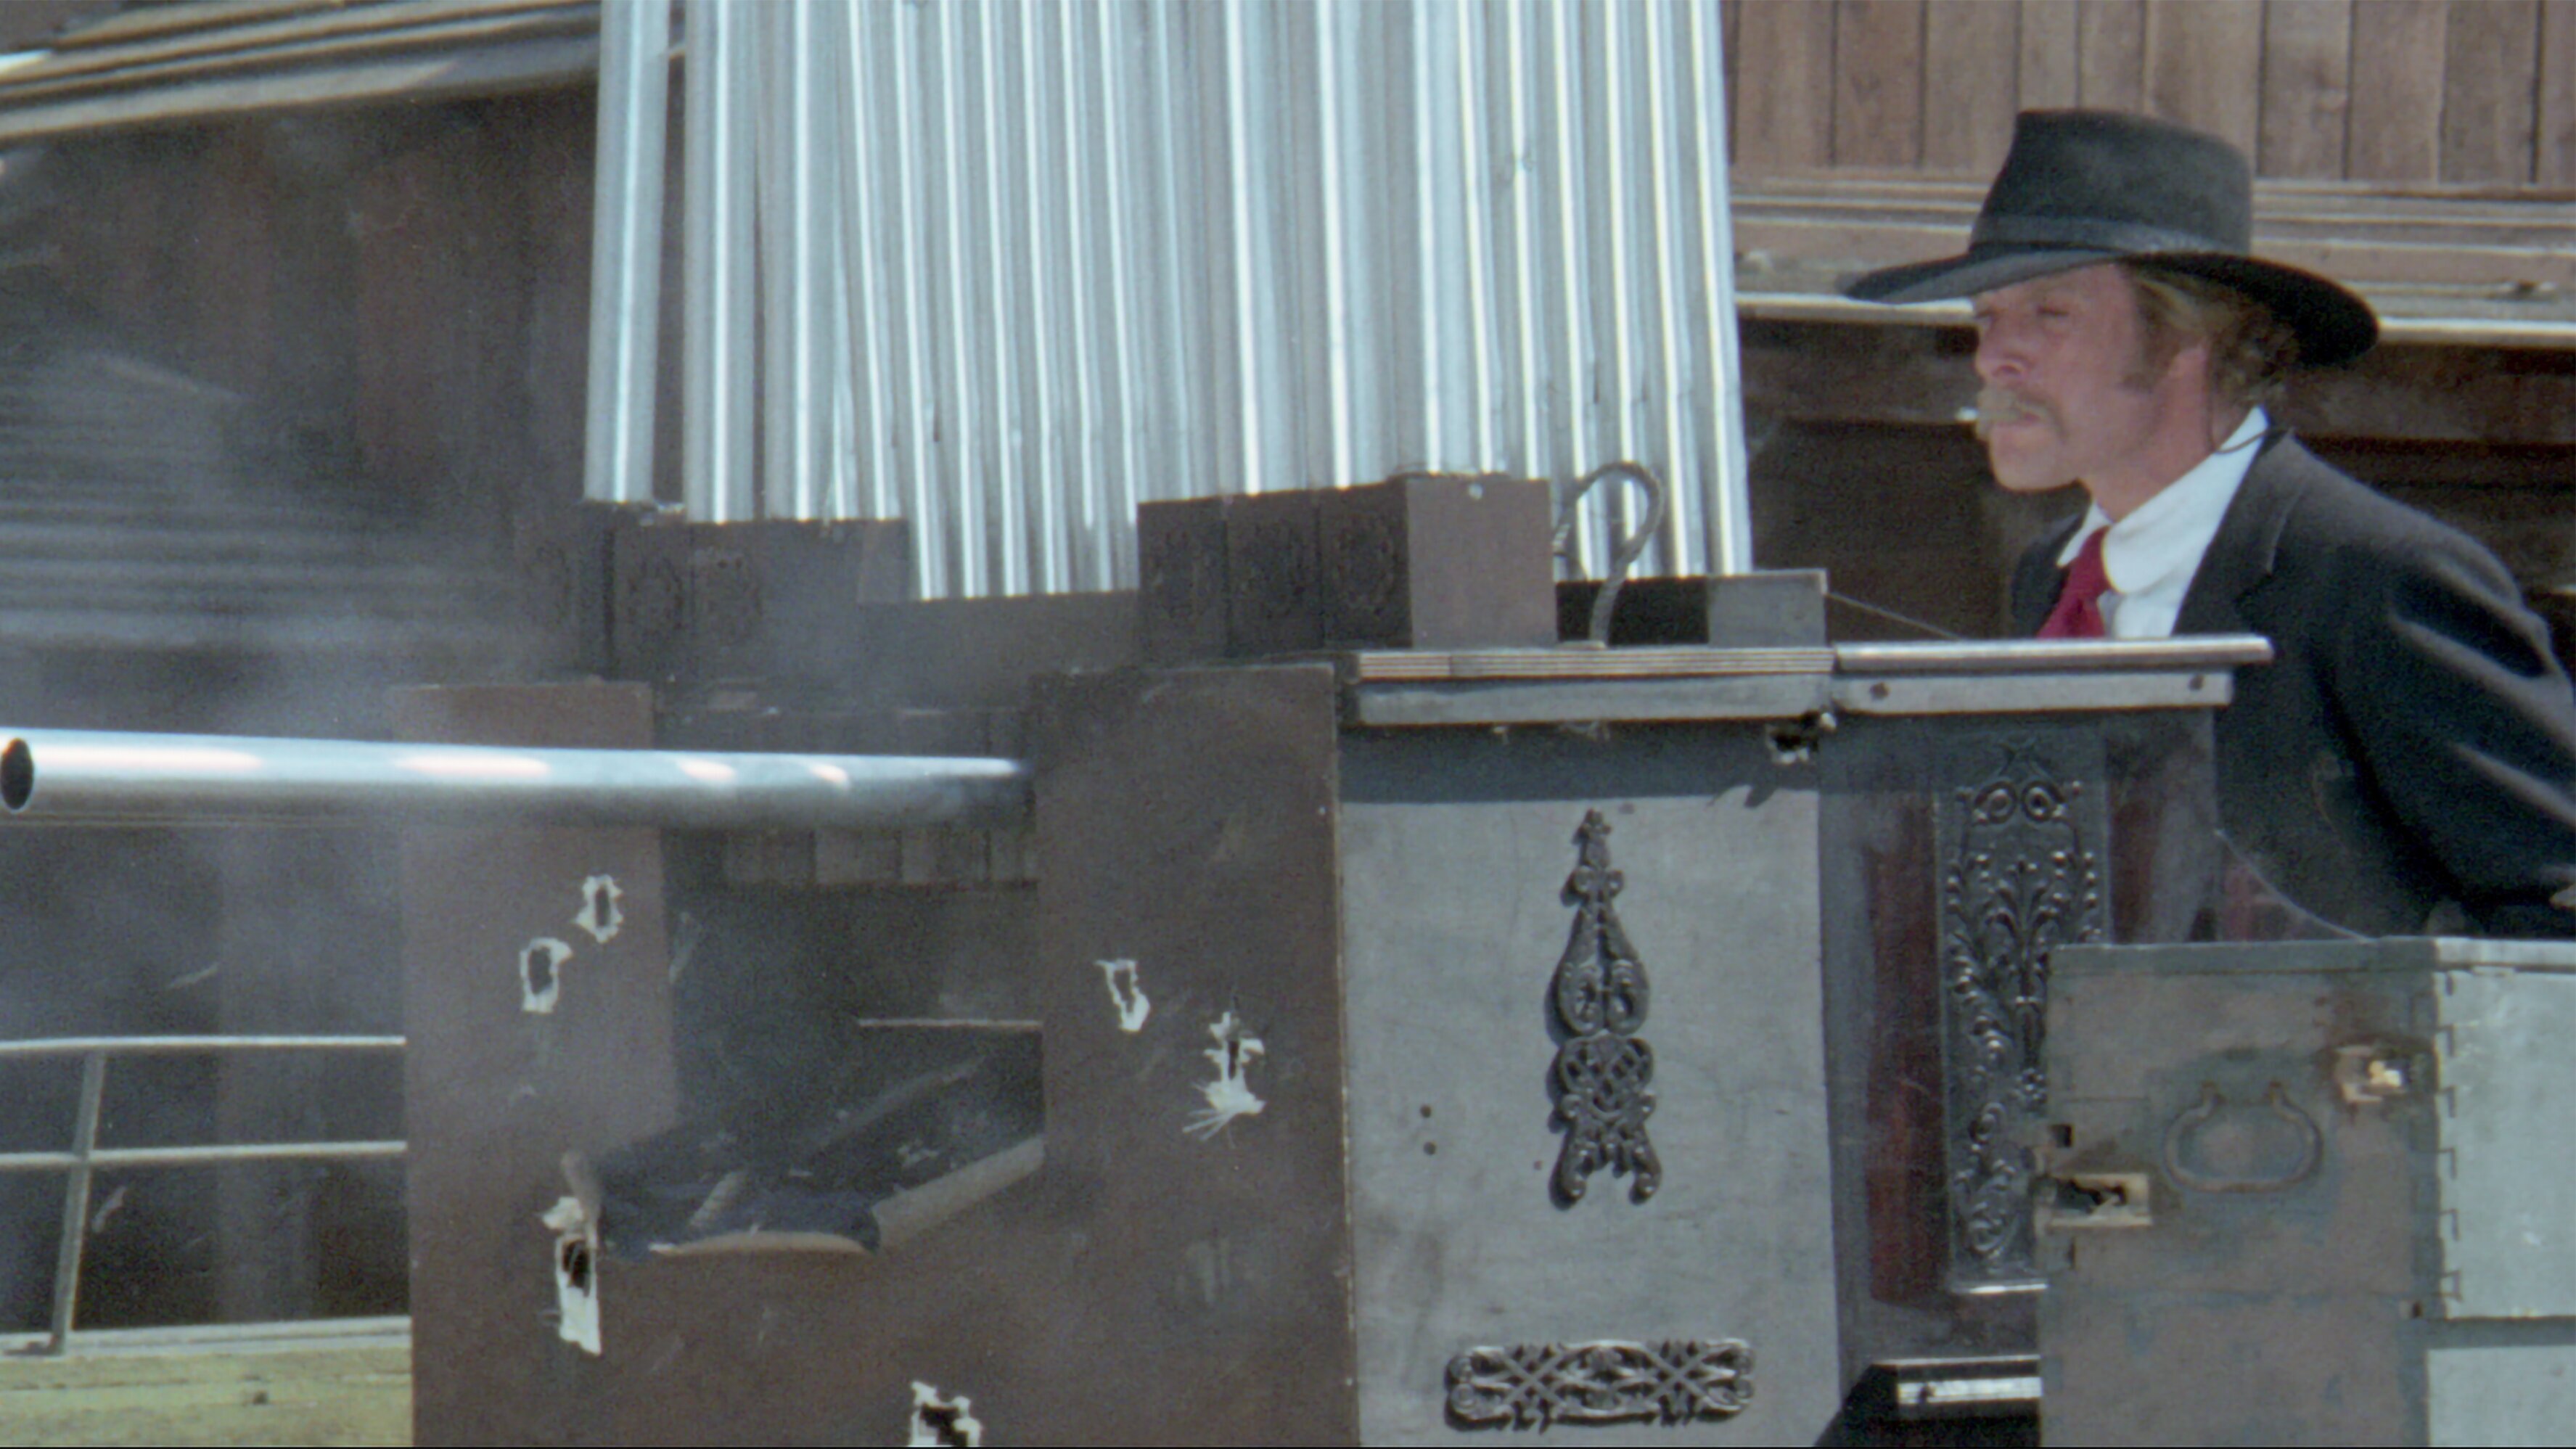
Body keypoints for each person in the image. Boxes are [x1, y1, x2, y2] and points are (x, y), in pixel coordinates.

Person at [1843, 109, 2576, 938]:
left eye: (2049, 314)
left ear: (2185, 339)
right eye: (1985, 316)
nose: (1991, 358)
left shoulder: (2378, 577)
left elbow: (2555, 904)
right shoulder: (2048, 582)